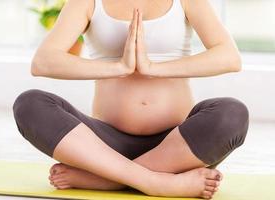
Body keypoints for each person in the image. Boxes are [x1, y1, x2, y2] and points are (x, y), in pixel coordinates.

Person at [13, 0, 249, 199]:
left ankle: (106, 179)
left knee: (232, 114)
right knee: (29, 104)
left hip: (178, 147)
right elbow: (43, 62)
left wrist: (152, 68)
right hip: (104, 146)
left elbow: (229, 57)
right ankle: (154, 181)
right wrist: (119, 67)